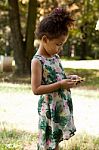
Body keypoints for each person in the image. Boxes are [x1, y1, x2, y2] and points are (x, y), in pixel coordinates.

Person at [31, 7, 81, 150]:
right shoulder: (37, 61)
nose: (60, 48)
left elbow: (58, 78)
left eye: (62, 45)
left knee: (55, 141)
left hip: (59, 106)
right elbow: (36, 89)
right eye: (58, 44)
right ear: (45, 39)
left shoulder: (55, 57)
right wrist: (60, 85)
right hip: (49, 110)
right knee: (48, 143)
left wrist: (70, 78)